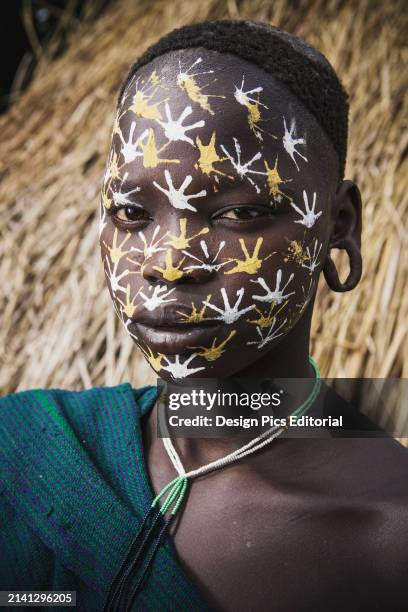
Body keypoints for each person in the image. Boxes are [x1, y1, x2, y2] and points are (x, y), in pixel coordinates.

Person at [0, 19, 407, 612]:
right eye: (132, 212)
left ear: (339, 224)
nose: (168, 263)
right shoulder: (25, 457)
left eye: (239, 213)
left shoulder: (389, 535)